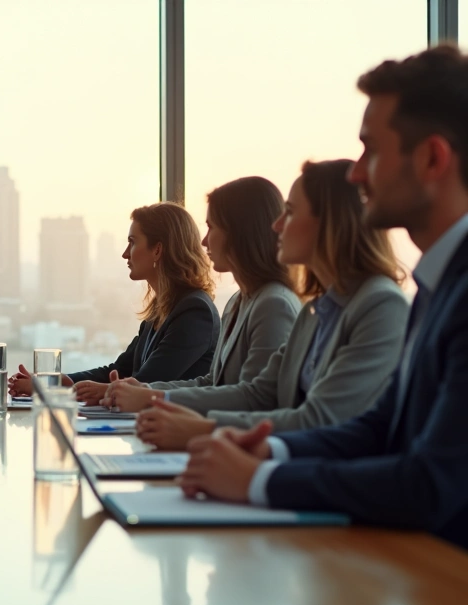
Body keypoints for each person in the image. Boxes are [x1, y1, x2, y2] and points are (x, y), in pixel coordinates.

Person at [180, 46, 468, 550]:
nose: (357, 174)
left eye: (371, 151)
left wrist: (257, 481)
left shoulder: (433, 295)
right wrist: (265, 452)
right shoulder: (438, 285)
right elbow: (380, 428)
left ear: (432, 159)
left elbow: (430, 483)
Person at [133, 160, 407, 450]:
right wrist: (157, 397)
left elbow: (320, 418)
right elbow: (261, 393)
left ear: (329, 222)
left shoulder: (379, 304)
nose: (276, 226)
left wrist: (200, 427)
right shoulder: (315, 311)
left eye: (289, 213)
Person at [104, 177, 301, 413]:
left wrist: (153, 397)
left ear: (240, 232)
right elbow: (212, 382)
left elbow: (255, 399)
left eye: (212, 227)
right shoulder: (238, 301)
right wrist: (150, 392)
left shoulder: (273, 305)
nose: (205, 240)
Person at [10, 202, 220, 402]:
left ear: (157, 249)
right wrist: (57, 382)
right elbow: (120, 369)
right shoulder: (163, 306)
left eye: (132, 242)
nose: (125, 254)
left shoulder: (194, 311)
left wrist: (55, 388)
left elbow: (147, 383)